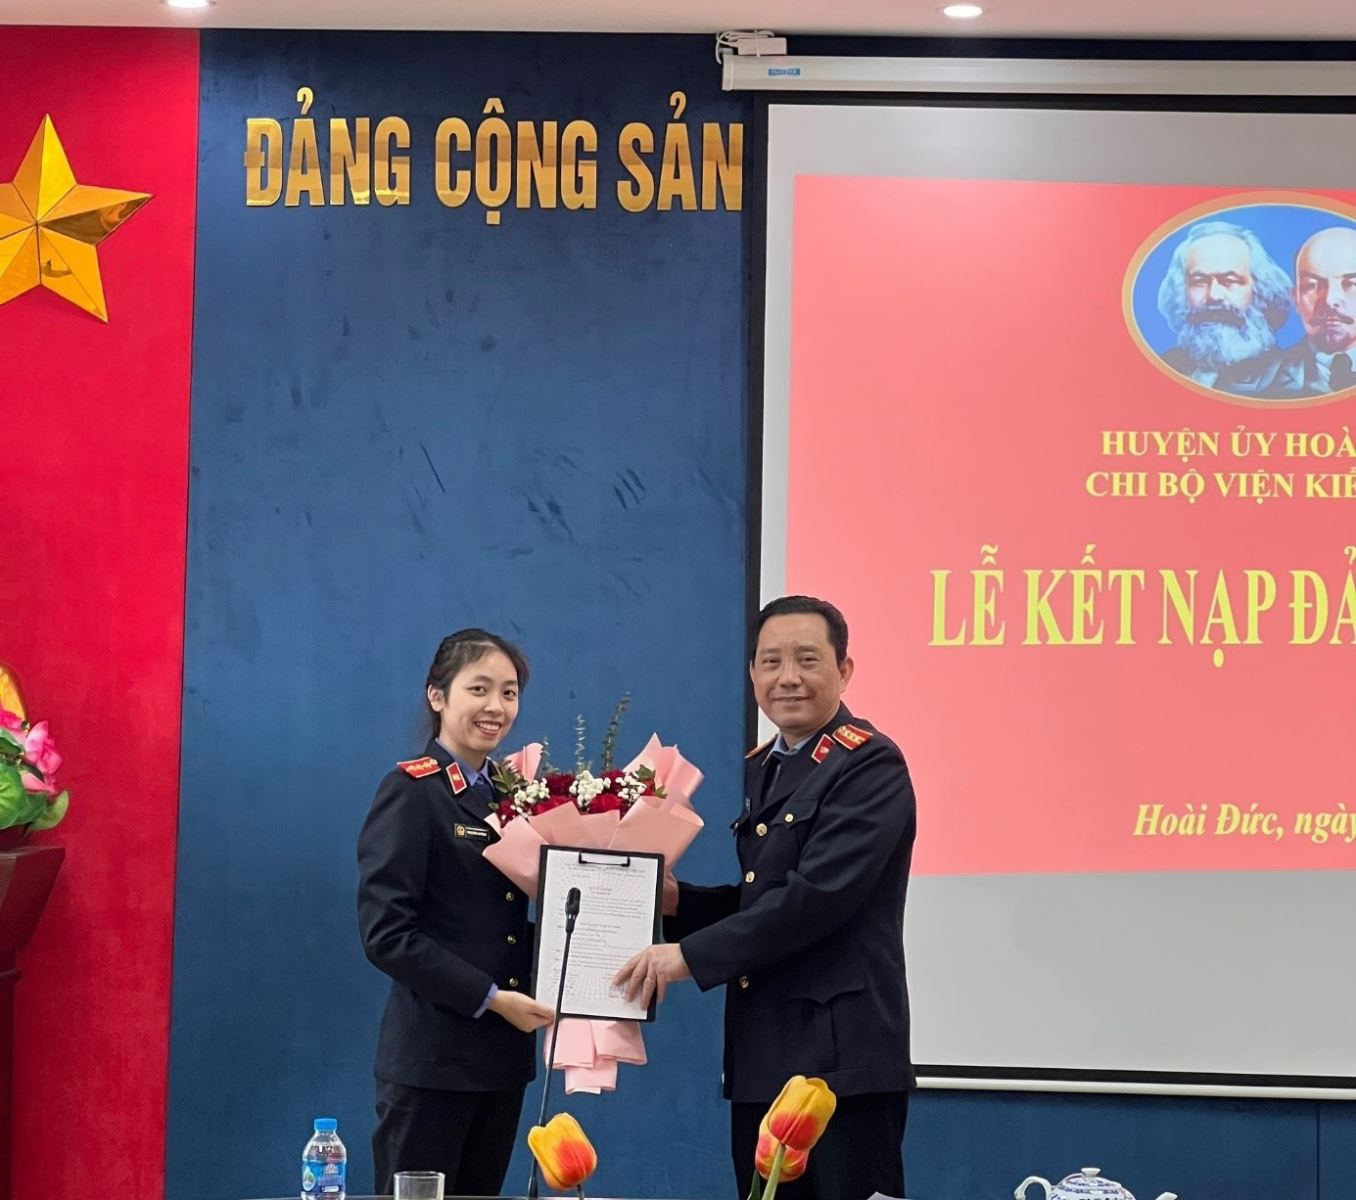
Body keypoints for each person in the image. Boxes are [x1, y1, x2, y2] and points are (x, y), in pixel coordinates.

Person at [614, 596, 917, 1200]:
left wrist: (688, 957)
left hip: (840, 1065)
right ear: (752, 674)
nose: (788, 677)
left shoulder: (869, 764)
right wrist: (675, 903)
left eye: (808, 659)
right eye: (771, 661)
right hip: (764, 1055)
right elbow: (762, 900)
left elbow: (815, 899)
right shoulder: (767, 766)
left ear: (844, 670)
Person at [358, 628, 554, 1195]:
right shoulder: (411, 791)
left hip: (501, 1062)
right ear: (437, 696)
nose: (497, 707)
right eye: (479, 689)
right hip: (432, 1061)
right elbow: (387, 934)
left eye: (509, 693)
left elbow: (500, 923)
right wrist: (490, 997)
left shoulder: (512, 797)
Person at [1154, 220, 1291, 394]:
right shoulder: (1166, 367)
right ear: (1182, 291)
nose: (1213, 295)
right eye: (1199, 282)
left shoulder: (1288, 376)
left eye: (1229, 281)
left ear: (1260, 292)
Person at [1262, 226, 1356, 398]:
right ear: (1296, 298)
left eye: (1350, 284)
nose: (1329, 300)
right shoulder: (1263, 381)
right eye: (1311, 285)